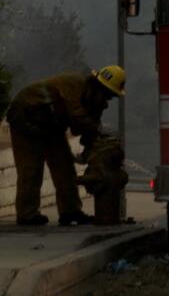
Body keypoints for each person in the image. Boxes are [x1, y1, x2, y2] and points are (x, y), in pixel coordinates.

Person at [4, 66, 126, 226]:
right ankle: (27, 215)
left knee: (65, 168)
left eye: (110, 96)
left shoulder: (95, 103)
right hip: (25, 116)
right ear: (97, 85)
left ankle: (71, 212)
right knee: (31, 169)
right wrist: (95, 129)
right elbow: (77, 116)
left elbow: (81, 130)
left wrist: (93, 145)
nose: (106, 100)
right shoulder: (74, 83)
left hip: (51, 125)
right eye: (106, 93)